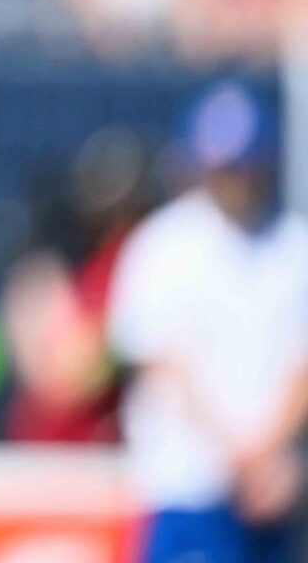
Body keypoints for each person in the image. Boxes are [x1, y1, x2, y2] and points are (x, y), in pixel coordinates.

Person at [108, 82, 308, 563]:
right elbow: (163, 363)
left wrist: (269, 454)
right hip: (188, 485)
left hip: (275, 492)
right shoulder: (165, 245)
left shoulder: (294, 245)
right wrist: (239, 455)